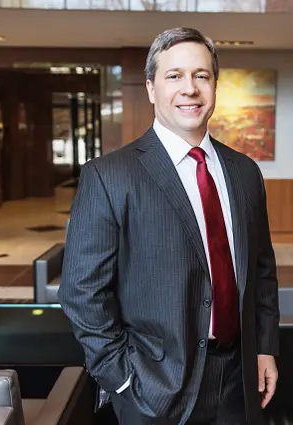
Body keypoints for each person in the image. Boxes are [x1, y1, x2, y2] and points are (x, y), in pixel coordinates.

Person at [57, 26, 280, 425]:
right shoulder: (109, 176)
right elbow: (81, 292)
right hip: (154, 387)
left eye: (201, 75)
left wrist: (264, 347)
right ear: (151, 88)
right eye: (174, 75)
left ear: (214, 86)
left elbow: (261, 271)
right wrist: (123, 378)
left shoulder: (245, 173)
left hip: (238, 378)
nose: (189, 88)